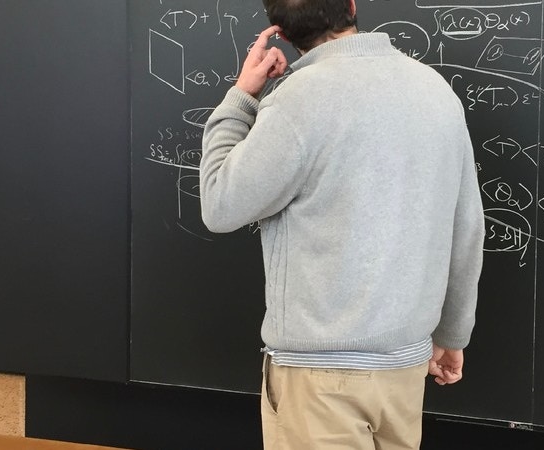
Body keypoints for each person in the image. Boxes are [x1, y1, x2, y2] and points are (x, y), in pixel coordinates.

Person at [199, 0, 484, 448]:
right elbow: (467, 226)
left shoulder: (296, 100)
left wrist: (242, 97)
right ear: (350, 5)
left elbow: (219, 205)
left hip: (316, 377)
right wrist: (452, 333)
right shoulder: (435, 91)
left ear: (283, 33)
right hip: (404, 367)